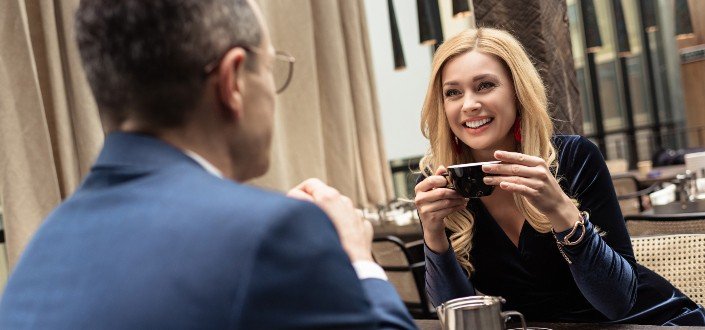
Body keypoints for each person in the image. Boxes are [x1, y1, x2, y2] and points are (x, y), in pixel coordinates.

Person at [0, 0, 416, 329]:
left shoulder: (41, 252)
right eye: (271, 67)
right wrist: (359, 260)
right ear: (233, 80)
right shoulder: (273, 233)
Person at [414, 28, 705, 325]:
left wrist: (560, 211)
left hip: (648, 323)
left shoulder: (574, 158)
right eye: (453, 92)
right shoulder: (441, 183)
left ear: (517, 91)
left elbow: (617, 302)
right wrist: (434, 235)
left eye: (485, 85)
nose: (469, 104)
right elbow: (456, 314)